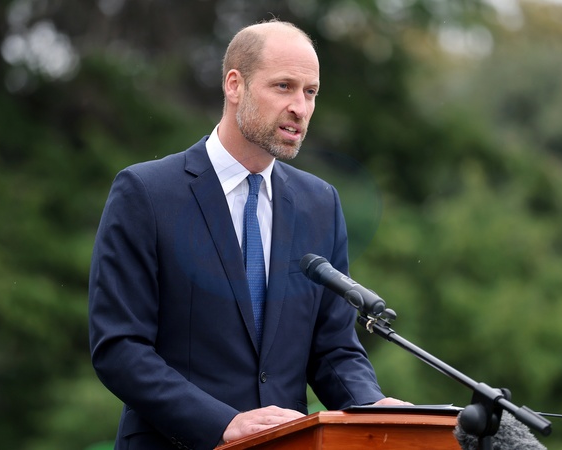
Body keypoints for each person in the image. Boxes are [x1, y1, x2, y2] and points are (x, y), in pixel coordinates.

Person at [89, 19, 408, 450]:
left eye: (310, 92)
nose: (300, 107)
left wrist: (373, 407)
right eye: (283, 86)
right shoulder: (147, 192)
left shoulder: (320, 204)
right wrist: (223, 423)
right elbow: (120, 347)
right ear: (234, 85)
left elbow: (332, 349)